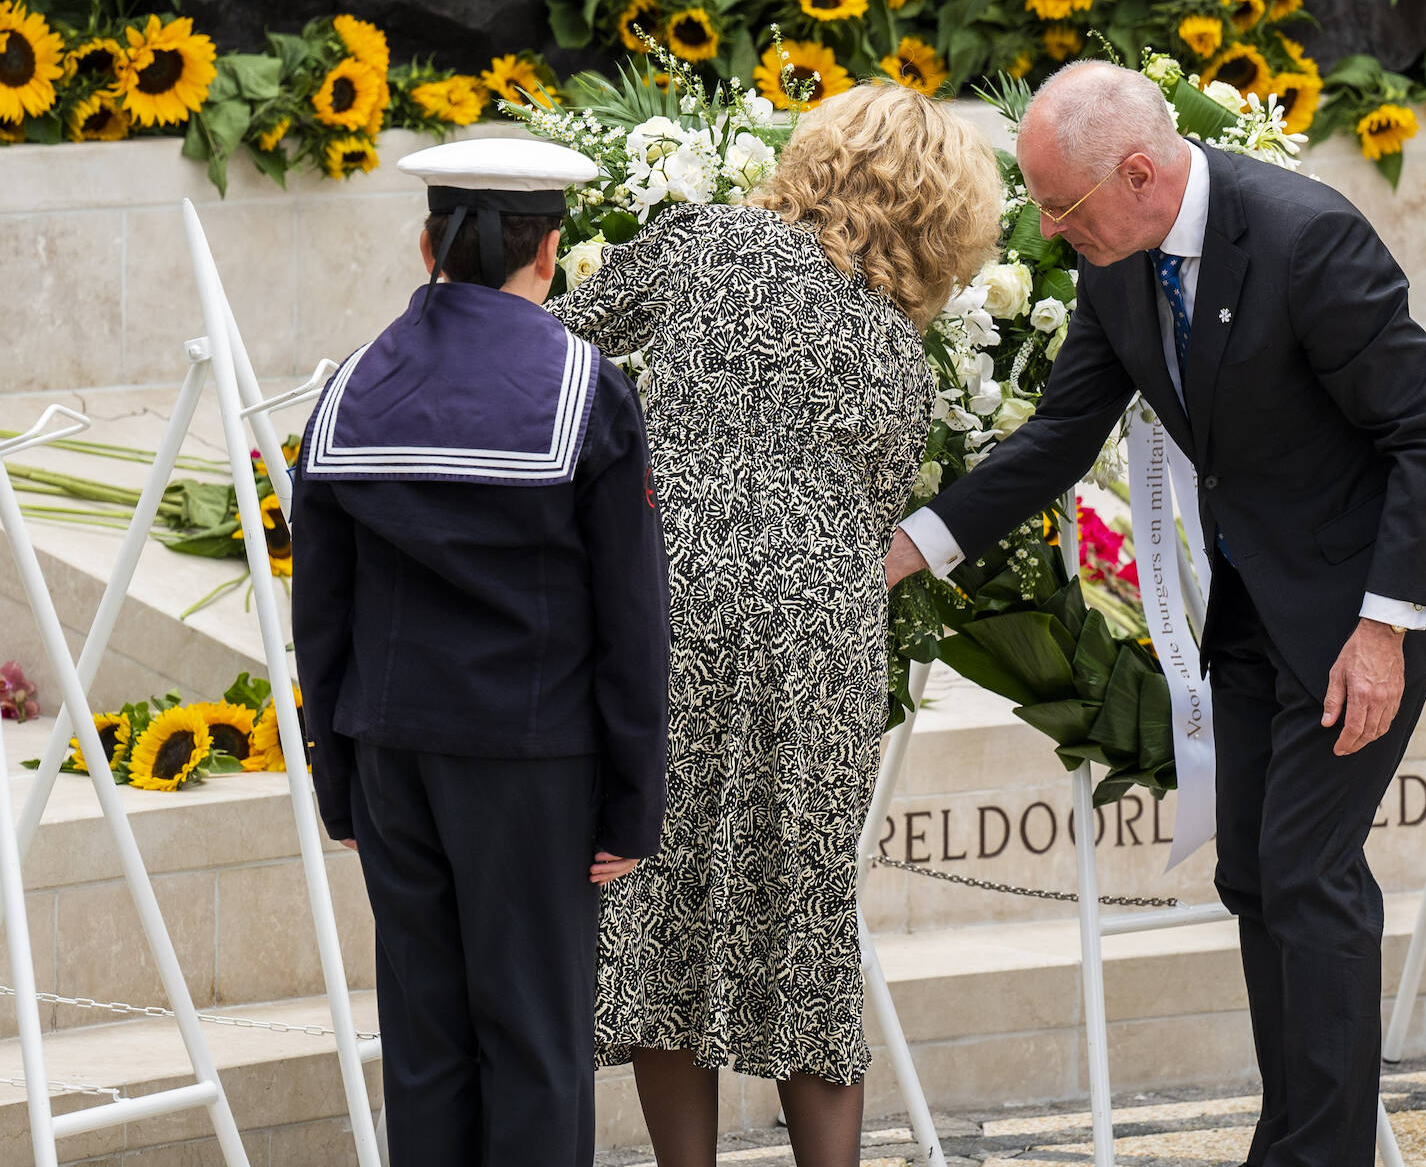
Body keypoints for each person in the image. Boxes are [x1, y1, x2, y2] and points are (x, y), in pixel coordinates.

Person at [886, 60, 1426, 1166]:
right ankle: (1298, 1136)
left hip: (1371, 594)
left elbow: (1425, 433)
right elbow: (1060, 436)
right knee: (1255, 874)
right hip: (1260, 596)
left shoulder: (1306, 237)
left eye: (1060, 206)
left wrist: (1381, 630)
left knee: (1309, 869)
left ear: (1137, 171)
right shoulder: (1118, 262)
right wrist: (910, 547)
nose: (1050, 230)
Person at [547, 81, 1002, 1167]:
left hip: (676, 606)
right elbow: (876, 505)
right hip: (822, 637)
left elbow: (555, 349)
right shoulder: (899, 354)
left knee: (659, 901)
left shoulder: (704, 243)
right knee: (806, 915)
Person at [290, 137, 672, 1167]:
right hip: (529, 762)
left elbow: (319, 604)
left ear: (428, 245)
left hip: (390, 759)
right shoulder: (582, 387)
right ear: (548, 251)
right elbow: (630, 615)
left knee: (424, 1045)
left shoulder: (351, 385)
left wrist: (341, 782)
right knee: (537, 1045)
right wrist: (634, 801)